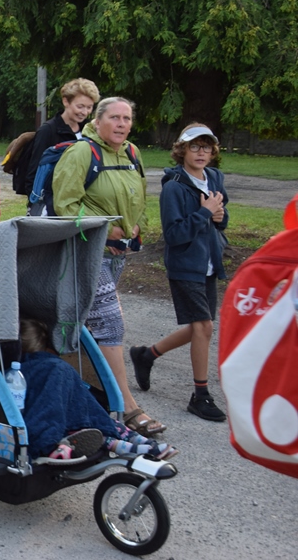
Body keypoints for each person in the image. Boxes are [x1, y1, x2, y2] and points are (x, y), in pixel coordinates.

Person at [51, 97, 164, 437]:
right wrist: (104, 228)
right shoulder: (81, 153)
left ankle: (85, 398)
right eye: (114, 117)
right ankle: (127, 407)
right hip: (86, 252)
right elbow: (65, 205)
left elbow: (139, 195)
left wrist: (135, 226)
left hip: (117, 252)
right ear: (97, 121)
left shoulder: (132, 153)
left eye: (127, 118)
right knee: (110, 325)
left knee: (89, 326)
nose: (122, 124)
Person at [131, 124, 229, 422]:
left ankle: (146, 355)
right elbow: (174, 235)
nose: (201, 152)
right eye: (194, 146)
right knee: (204, 326)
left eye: (206, 147)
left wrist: (219, 215)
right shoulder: (173, 187)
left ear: (213, 151)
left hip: (209, 263)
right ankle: (200, 395)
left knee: (200, 327)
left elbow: (221, 219)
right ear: (182, 150)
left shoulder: (214, 178)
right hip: (185, 265)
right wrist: (204, 212)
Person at [19, 319, 177, 462]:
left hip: (61, 417)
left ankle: (131, 441)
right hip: (63, 424)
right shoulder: (44, 368)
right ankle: (128, 444)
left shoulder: (40, 370)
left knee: (94, 417)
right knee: (94, 422)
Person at [23, 78, 99, 194]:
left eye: (89, 107)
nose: (84, 112)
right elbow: (33, 174)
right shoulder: (47, 131)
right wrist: (37, 201)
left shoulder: (90, 131)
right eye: (80, 106)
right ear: (66, 101)